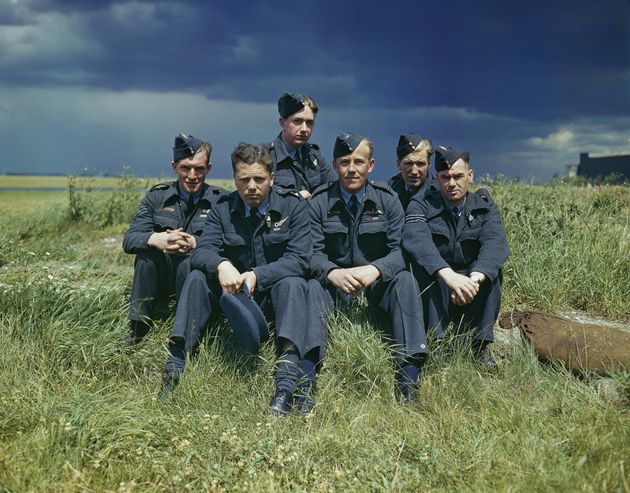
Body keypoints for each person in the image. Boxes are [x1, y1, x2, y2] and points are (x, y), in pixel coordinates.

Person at [160, 143, 317, 417]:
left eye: (259, 179)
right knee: (197, 276)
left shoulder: (294, 206)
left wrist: (259, 275)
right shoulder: (223, 208)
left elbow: (300, 259)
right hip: (233, 300)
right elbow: (203, 251)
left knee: (294, 283)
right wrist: (221, 265)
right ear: (235, 179)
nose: (252, 187)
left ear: (272, 177)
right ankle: (174, 369)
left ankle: (285, 388)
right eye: (244, 180)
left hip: (274, 297)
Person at [308, 133, 429, 403]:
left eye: (359, 162)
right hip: (334, 286)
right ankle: (308, 375)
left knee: (406, 281)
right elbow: (310, 253)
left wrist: (374, 270)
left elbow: (401, 251)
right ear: (335, 164)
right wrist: (332, 272)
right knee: (312, 287)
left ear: (371, 165)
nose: (352, 169)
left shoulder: (387, 200)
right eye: (344, 162)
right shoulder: (318, 202)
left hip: (375, 285)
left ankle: (408, 376)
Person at [402, 145, 509, 365]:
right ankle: (438, 342)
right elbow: (417, 240)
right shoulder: (422, 204)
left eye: (458, 176)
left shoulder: (484, 207)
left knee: (493, 271)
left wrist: (472, 281)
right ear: (437, 178)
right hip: (439, 282)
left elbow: (495, 244)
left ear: (470, 176)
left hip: (471, 284)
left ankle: (480, 346)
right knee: (422, 269)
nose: (452, 183)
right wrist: (449, 277)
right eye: (445, 177)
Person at [122, 134, 224, 346]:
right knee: (146, 255)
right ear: (174, 167)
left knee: (191, 260)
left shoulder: (221, 200)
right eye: (185, 168)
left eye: (200, 169)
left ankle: (188, 328)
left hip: (196, 280)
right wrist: (157, 239)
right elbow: (130, 240)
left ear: (209, 168)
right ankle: (138, 326)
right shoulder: (157, 196)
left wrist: (195, 243)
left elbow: (230, 245)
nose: (192, 175)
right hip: (160, 277)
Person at [263, 92, 335, 199]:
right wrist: (294, 198)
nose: (304, 129)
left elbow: (336, 187)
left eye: (309, 122)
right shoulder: (264, 156)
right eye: (297, 121)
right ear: (282, 122)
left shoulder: (314, 156)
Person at [388, 133, 437, 210]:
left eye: (420, 164)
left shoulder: (440, 195)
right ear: (399, 164)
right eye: (408, 163)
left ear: (428, 165)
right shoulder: (388, 191)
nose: (414, 171)